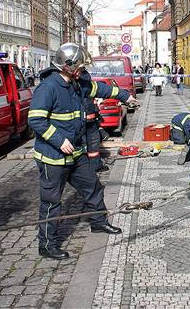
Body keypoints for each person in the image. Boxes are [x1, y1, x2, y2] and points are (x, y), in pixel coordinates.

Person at [29, 43, 129, 260]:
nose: (84, 71)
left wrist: (123, 95)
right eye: (81, 67)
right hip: (53, 156)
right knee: (51, 201)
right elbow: (35, 120)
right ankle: (47, 245)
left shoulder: (78, 83)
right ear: (68, 66)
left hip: (75, 154)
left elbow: (99, 89)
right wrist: (58, 139)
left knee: (92, 186)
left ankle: (99, 223)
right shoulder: (48, 88)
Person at [78, 64, 136, 173]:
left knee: (93, 146)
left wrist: (125, 96)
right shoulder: (67, 85)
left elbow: (103, 89)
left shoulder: (84, 83)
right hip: (79, 124)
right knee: (83, 146)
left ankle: (95, 166)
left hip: (90, 122)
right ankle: (85, 169)